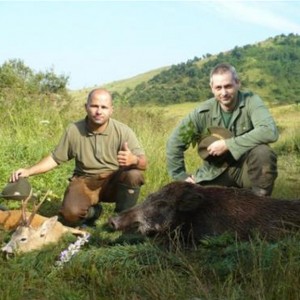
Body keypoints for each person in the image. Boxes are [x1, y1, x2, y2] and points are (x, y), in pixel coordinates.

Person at [10, 88, 147, 226]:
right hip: (85, 181)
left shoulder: (123, 131)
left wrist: (134, 160)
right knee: (70, 215)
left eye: (104, 107)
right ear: (86, 107)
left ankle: (122, 219)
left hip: (113, 181)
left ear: (111, 110)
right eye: (94, 106)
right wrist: (28, 171)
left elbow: (144, 163)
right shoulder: (74, 130)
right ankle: (94, 212)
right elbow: (54, 158)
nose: (99, 111)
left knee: (134, 174)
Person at [166, 63, 278, 196]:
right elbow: (175, 142)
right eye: (218, 88)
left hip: (246, 169)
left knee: (263, 152)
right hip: (214, 172)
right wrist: (181, 177)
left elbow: (269, 131)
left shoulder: (251, 101)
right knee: (196, 203)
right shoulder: (202, 113)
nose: (223, 93)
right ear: (212, 88)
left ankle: (260, 202)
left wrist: (228, 144)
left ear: (237, 83)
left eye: (228, 86)